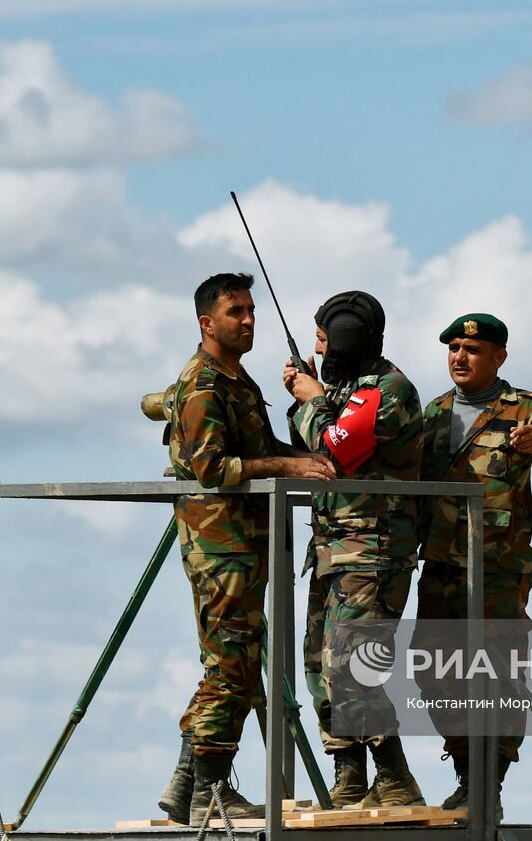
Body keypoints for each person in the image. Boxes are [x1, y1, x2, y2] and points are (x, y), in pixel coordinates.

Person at [157, 272, 336, 825]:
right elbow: (213, 468)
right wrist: (288, 465)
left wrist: (308, 450)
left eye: (251, 310)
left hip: (244, 541)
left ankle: (190, 784)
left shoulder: (238, 381)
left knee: (234, 658)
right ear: (207, 323)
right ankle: (209, 789)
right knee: (231, 663)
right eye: (237, 312)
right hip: (220, 543)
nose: (249, 320)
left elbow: (260, 449)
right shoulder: (204, 384)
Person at [413, 313, 532, 815]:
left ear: (498, 357)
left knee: (498, 674)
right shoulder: (434, 412)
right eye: (453, 348)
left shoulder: (525, 408)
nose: (459, 358)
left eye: (472, 349)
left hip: (498, 569)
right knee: (433, 670)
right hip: (443, 564)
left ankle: (491, 779)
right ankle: (468, 769)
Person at [282, 291, 426, 809]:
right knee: (320, 664)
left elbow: (333, 452)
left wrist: (309, 399)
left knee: (352, 666)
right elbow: (302, 452)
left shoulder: (388, 391)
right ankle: (350, 774)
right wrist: (310, 399)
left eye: (322, 339)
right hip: (332, 549)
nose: (317, 350)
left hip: (373, 549)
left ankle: (394, 776)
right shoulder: (343, 390)